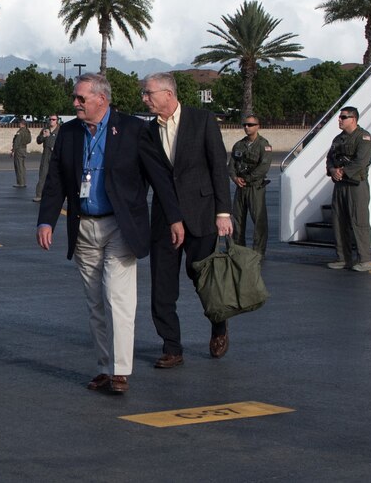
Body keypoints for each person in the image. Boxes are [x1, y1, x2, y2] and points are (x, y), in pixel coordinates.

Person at [37, 75, 183, 394]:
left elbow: (159, 176)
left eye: (80, 98)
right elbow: (55, 180)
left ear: (101, 100)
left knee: (118, 298)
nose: (74, 103)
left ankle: (120, 371)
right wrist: (46, 221)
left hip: (121, 226)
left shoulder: (133, 129)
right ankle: (104, 367)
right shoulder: (69, 133)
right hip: (84, 227)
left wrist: (174, 218)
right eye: (75, 98)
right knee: (95, 303)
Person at [141, 72, 232, 367]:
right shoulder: (148, 131)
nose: (144, 99)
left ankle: (219, 326)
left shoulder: (201, 119)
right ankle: (172, 347)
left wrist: (223, 213)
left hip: (202, 215)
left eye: (148, 93)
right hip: (165, 220)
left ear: (168, 94)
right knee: (162, 286)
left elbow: (219, 167)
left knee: (203, 281)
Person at [326, 107, 371, 272]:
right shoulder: (338, 139)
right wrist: (333, 170)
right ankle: (343, 258)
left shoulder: (364, 138)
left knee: (359, 222)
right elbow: (330, 159)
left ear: (353, 119)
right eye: (340, 117)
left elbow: (361, 161)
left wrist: (343, 171)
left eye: (343, 117)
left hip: (356, 184)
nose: (339, 120)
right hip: (340, 185)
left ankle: (364, 260)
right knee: (339, 221)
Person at [228, 115, 272, 257]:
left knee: (259, 220)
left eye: (250, 125)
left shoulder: (263, 145)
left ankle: (258, 251)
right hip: (241, 187)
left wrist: (247, 179)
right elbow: (231, 165)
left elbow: (263, 167)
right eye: (245, 125)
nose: (247, 127)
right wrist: (235, 178)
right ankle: (237, 249)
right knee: (237, 219)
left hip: (255, 187)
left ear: (258, 126)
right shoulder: (239, 145)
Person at [33, 115, 61, 202]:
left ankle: (58, 195)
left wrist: (56, 148)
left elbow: (65, 142)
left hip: (56, 155)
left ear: (57, 120)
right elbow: (38, 140)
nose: (51, 121)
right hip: (46, 154)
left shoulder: (60, 130)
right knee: (43, 174)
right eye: (50, 119)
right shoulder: (45, 129)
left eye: (53, 119)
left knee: (57, 176)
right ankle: (39, 195)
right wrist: (44, 136)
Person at [12, 118, 31, 188]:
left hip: (19, 150)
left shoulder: (20, 132)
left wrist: (13, 150)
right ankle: (23, 181)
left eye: (19, 123)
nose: (18, 124)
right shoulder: (27, 131)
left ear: (22, 124)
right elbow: (29, 140)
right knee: (22, 166)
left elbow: (16, 142)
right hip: (24, 149)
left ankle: (20, 183)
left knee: (18, 166)